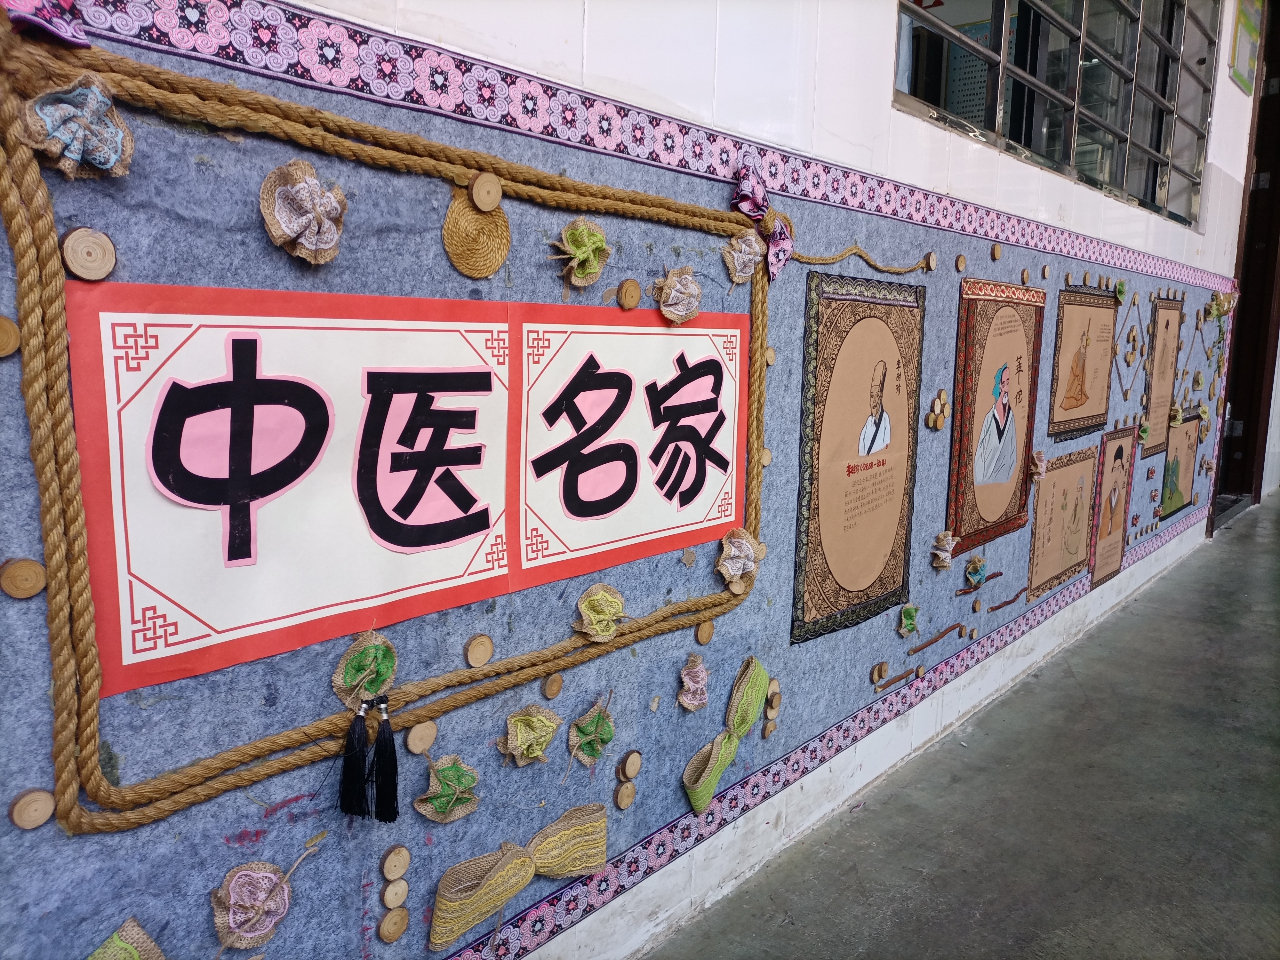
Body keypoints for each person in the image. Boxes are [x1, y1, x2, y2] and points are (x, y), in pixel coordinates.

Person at [974, 363, 1016, 485]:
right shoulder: (989, 418)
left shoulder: (1011, 417)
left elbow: (1013, 453)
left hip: (1003, 480)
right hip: (985, 477)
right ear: (1000, 386)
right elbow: (980, 451)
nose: (1006, 386)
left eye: (1008, 382)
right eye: (1004, 383)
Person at [858, 360, 891, 457]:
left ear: (881, 397)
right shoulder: (869, 421)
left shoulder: (885, 419)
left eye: (877, 396)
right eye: (872, 396)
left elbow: (887, 446)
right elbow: (861, 450)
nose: (874, 400)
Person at [1060, 324, 1090, 411]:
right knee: (1073, 392)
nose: (1084, 346)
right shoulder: (1077, 354)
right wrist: (1081, 360)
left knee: (1080, 392)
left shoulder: (1083, 352)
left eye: (1085, 345)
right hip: (1075, 377)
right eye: (1083, 345)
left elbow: (1083, 369)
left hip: (1080, 377)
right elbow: (1076, 369)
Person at [1102, 444, 1125, 538]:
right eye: (1114, 469)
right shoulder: (1107, 498)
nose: (1115, 473)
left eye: (1118, 469)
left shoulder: (1120, 498)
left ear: (1122, 471)